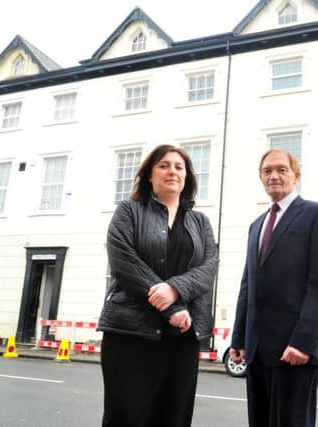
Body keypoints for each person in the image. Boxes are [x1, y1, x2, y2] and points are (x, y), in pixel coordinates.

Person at [97, 144, 218, 427]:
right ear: (149, 175)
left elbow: (209, 267)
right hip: (130, 334)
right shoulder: (128, 211)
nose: (172, 171)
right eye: (163, 165)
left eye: (179, 166)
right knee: (127, 417)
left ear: (187, 177)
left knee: (173, 418)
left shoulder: (200, 221)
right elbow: (124, 261)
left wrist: (175, 289)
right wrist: (171, 307)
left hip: (181, 338)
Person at [230, 148, 318, 427]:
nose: (274, 176)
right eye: (267, 171)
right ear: (260, 178)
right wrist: (239, 337)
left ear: (296, 175)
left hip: (294, 350)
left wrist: (303, 342)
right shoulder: (256, 225)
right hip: (257, 350)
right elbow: (248, 285)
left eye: (282, 169)